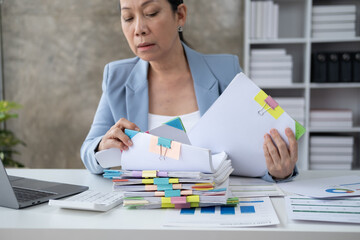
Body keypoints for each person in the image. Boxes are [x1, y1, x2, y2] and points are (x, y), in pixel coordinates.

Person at [81, 0, 298, 182]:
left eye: (151, 13)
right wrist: (102, 147)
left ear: (180, 15)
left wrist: (279, 171)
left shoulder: (226, 72)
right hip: (146, 211)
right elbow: (89, 151)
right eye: (128, 18)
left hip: (214, 208)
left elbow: (264, 151)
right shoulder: (116, 77)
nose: (139, 29)